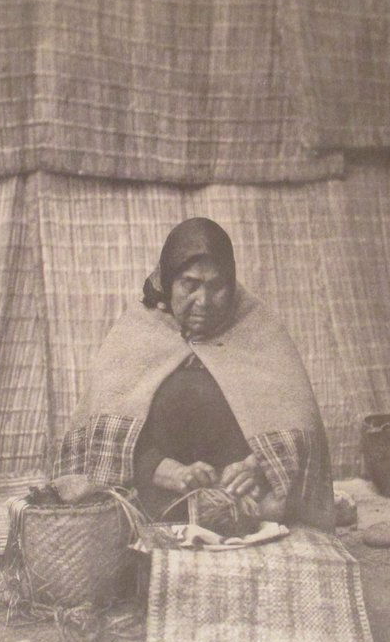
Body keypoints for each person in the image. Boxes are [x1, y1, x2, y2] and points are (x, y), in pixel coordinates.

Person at [51, 217, 334, 531]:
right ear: (169, 282)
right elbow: (105, 432)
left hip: (240, 490)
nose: (203, 301)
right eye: (190, 284)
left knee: (279, 504)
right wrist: (164, 470)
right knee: (113, 516)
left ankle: (241, 513)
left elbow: (300, 421)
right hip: (154, 491)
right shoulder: (138, 330)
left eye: (216, 286)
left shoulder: (256, 325)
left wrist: (257, 466)